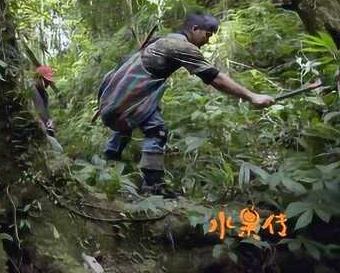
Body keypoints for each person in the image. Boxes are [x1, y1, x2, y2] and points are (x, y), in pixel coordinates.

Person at [98, 13, 275, 197]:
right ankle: (152, 186)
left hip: (113, 97)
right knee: (156, 130)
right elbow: (215, 78)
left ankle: (108, 170)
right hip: (128, 96)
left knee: (129, 122)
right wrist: (252, 96)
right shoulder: (181, 46)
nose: (207, 41)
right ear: (194, 29)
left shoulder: (161, 41)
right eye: (207, 35)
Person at [33, 65, 56, 137]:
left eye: (48, 82)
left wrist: (49, 120)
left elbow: (44, 110)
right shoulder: (31, 90)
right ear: (39, 78)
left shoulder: (44, 94)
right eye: (46, 81)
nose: (47, 84)